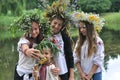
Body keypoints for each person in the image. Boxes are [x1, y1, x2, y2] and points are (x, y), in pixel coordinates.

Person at [44, 1, 74, 80]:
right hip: (50, 72)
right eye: (55, 23)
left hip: (63, 71)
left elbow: (70, 55)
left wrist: (71, 75)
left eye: (59, 25)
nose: (56, 26)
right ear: (50, 22)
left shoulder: (64, 36)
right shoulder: (44, 36)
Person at [72, 12, 105, 80]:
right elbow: (76, 57)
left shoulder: (98, 42)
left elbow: (98, 59)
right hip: (83, 74)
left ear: (90, 28)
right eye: (80, 28)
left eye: (84, 27)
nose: (81, 30)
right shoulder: (79, 42)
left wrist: (90, 75)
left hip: (95, 74)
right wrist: (81, 73)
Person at [13, 10, 45, 80]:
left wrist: (41, 56)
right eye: (31, 29)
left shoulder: (41, 42)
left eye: (36, 29)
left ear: (39, 28)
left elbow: (43, 59)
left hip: (33, 74)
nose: (34, 32)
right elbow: (25, 48)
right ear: (27, 30)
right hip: (21, 74)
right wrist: (27, 51)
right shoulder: (24, 40)